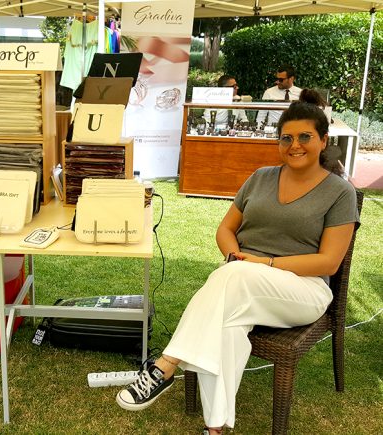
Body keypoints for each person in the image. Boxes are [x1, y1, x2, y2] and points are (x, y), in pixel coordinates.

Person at [116, 89, 359, 435]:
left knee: (234, 277)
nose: (295, 145)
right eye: (286, 138)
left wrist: (263, 263)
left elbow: (329, 262)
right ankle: (215, 427)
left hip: (304, 291)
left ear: (323, 140)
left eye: (305, 137)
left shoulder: (339, 192)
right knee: (227, 327)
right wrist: (235, 257)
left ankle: (165, 365)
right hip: (241, 280)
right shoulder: (261, 178)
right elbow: (226, 229)